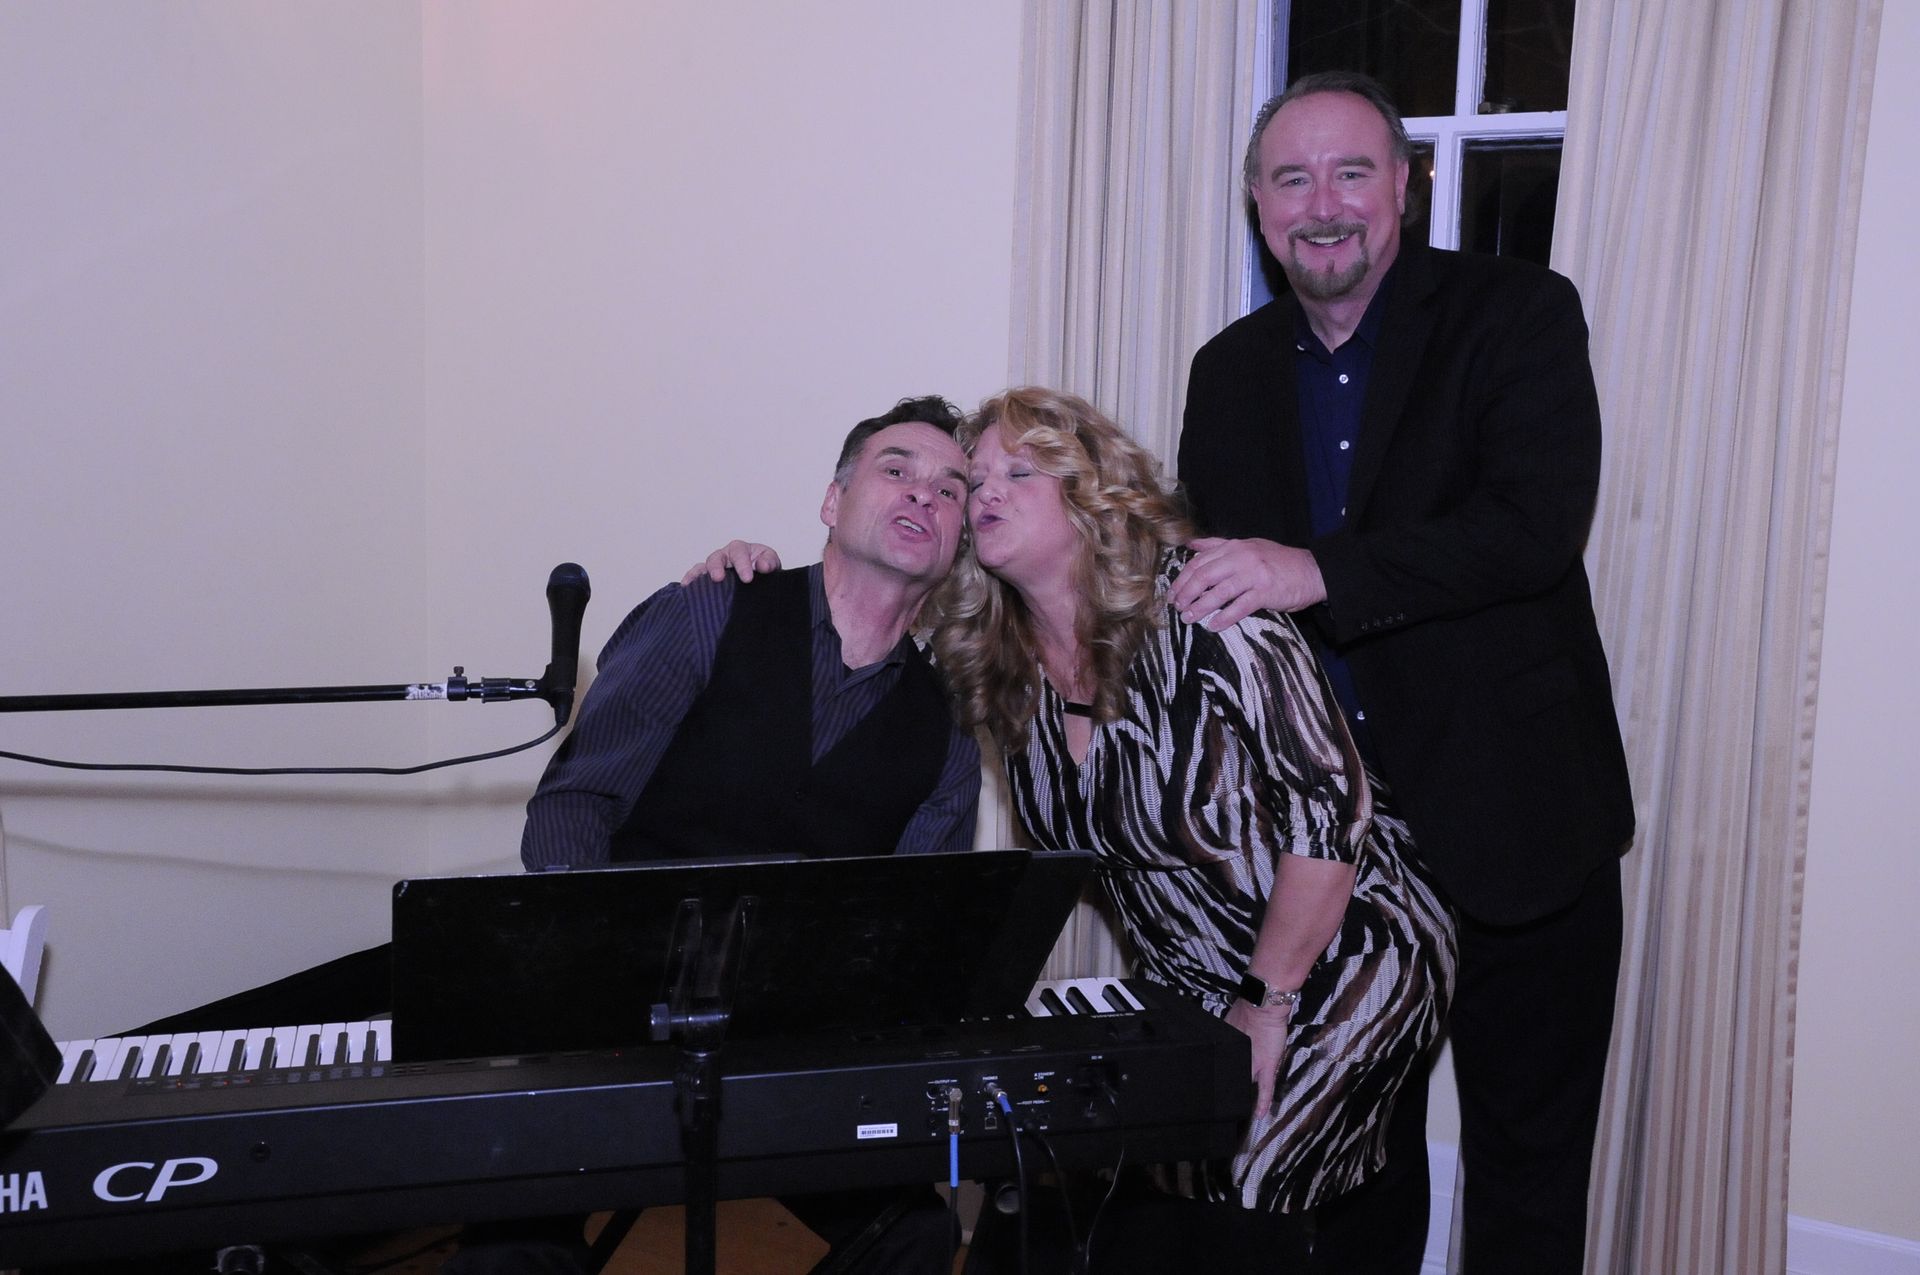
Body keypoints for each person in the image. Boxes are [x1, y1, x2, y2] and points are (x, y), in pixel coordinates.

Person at [1171, 71, 1635, 1274]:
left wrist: (1314, 570)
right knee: (1355, 1171)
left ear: (1407, 189)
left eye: (1352, 171)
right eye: (1291, 178)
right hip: (1332, 862)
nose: (1323, 204)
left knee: (1526, 1180)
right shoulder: (1223, 373)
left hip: (1520, 823)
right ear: (1258, 208)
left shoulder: (1520, 313)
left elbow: (1533, 529)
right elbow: (1210, 587)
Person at [930, 387, 1454, 1272]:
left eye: (1021, 471)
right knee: (1107, 1194)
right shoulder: (1005, 670)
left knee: (1239, 1191)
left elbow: (1333, 813)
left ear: (1093, 494)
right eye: (976, 477)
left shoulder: (1206, 612)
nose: (986, 491)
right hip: (1186, 974)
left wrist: (1264, 1001)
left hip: (1343, 952)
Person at [496, 396, 982, 1275]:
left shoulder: (948, 730)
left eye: (951, 490)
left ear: (958, 543)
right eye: (897, 469)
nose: (924, 495)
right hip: (619, 1019)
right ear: (833, 502)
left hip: (791, 1056)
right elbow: (574, 803)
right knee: (512, 1239)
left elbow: (916, 934)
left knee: (919, 1231)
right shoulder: (711, 609)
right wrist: (590, 970)